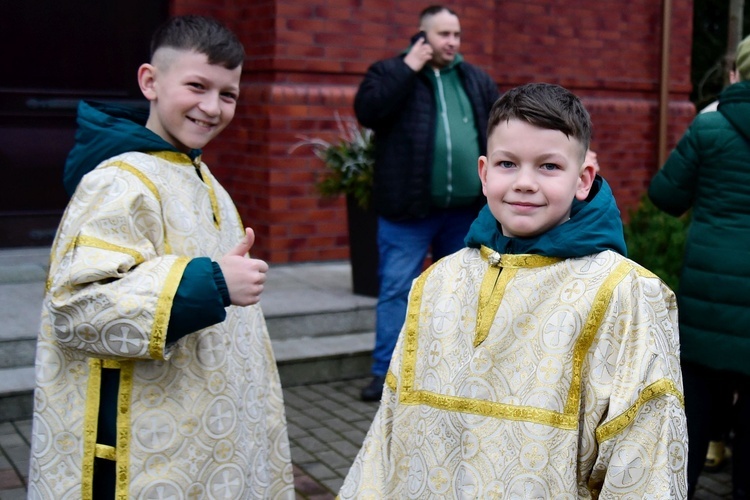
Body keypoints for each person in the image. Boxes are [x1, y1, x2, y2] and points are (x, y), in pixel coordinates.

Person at [339, 83, 687, 498]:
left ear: (583, 179)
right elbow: (392, 427)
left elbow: (645, 449)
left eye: (548, 167)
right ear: (484, 173)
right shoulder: (437, 281)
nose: (524, 182)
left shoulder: (626, 293)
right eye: (508, 164)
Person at [28, 15, 294, 499]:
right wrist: (211, 284)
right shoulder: (119, 181)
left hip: (204, 438)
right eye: (197, 86)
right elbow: (77, 308)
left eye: (228, 94)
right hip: (137, 449)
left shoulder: (203, 177)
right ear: (150, 81)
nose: (211, 107)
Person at [354, 5, 500, 401]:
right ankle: (384, 372)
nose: (452, 42)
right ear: (422, 36)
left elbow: (500, 131)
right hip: (408, 210)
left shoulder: (476, 79)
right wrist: (408, 67)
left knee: (459, 292)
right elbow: (369, 112)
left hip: (464, 213)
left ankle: (448, 370)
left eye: (456, 34)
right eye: (443, 34)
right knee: (396, 289)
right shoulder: (390, 72)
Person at [648, 34, 750, 499]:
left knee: (696, 411)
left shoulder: (709, 129)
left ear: (735, 74)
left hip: (709, 294)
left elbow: (665, 196)